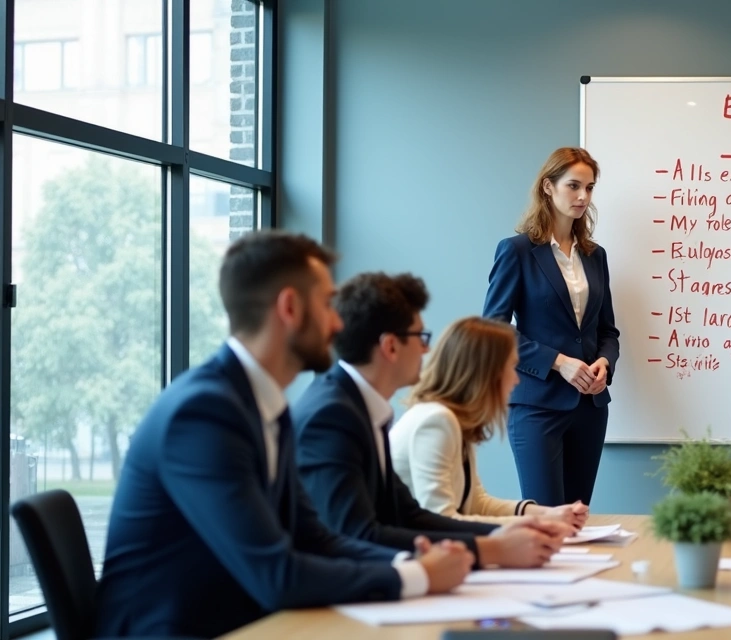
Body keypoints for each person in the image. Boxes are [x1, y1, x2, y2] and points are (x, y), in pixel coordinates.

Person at [95, 231, 474, 638]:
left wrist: (408, 564)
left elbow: (315, 538)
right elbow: (275, 573)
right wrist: (415, 577)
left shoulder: (264, 404)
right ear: (290, 308)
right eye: (328, 304)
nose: (338, 323)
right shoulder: (204, 412)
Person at [292, 272, 571, 570]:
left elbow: (410, 515)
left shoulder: (362, 409)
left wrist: (509, 533)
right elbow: (358, 534)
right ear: (390, 347)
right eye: (421, 337)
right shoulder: (334, 415)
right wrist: (492, 548)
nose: (427, 349)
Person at [482, 147, 620, 506]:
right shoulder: (517, 251)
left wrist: (605, 363)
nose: (582, 197)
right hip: (537, 405)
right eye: (573, 186)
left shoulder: (595, 255)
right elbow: (493, 329)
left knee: (576, 521)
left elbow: (608, 331)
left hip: (590, 407)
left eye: (589, 188)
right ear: (548, 186)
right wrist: (559, 362)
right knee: (545, 520)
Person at [392, 316, 592, 528]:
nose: (515, 379)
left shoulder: (454, 420)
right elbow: (442, 520)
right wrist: (530, 526)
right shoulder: (436, 421)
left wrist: (547, 514)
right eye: (511, 367)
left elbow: (477, 503)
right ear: (486, 372)